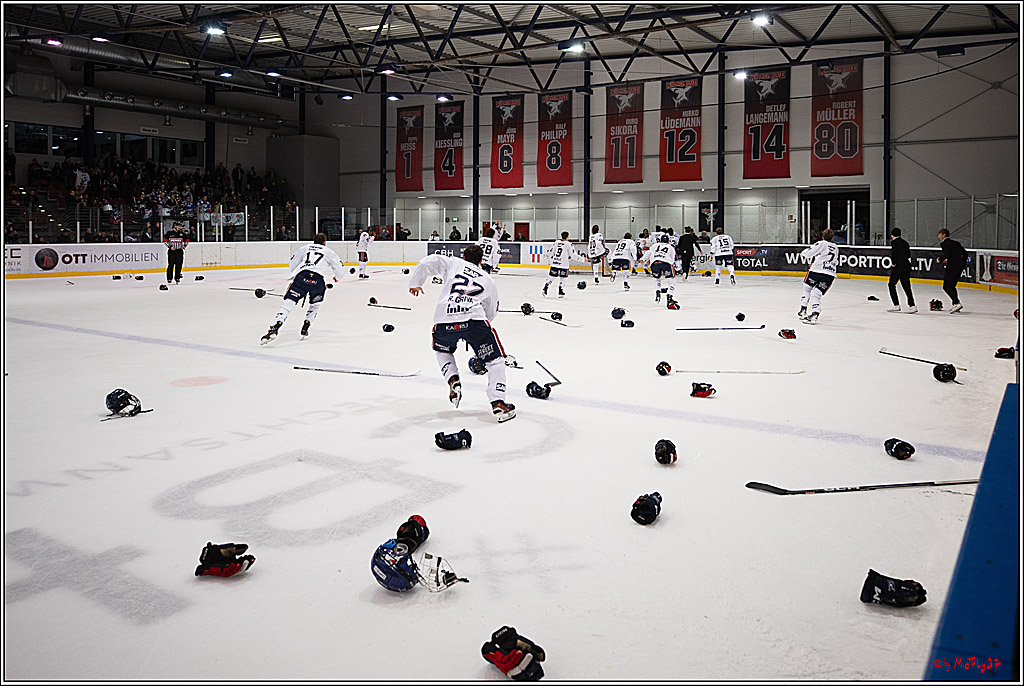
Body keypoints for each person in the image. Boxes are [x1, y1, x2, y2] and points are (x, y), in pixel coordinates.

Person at [407, 244, 516, 422]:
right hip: (474, 321)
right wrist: (476, 331)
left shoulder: (454, 263)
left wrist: (415, 283)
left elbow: (428, 262)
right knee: (495, 361)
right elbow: (492, 310)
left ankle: (452, 379)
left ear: (463, 257)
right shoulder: (488, 279)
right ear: (481, 261)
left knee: (442, 350)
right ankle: (498, 402)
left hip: (444, 319)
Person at [261, 232, 346, 344]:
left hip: (302, 278)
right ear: (324, 243)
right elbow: (339, 268)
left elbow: (293, 263)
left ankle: (276, 325)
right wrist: (337, 277)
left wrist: (297, 274)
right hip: (317, 281)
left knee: (288, 304)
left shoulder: (305, 248)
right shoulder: (328, 252)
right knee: (315, 305)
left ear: (314, 241)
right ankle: (307, 324)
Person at [798, 228, 839, 324]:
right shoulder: (836, 247)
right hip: (830, 273)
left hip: (816, 271)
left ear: (823, 236)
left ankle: (803, 309)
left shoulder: (821, 243)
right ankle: (815, 313)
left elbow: (808, 254)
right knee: (817, 293)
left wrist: (804, 252)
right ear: (832, 237)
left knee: (807, 288)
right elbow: (834, 261)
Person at [542, 231, 586, 298]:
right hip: (564, 264)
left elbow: (551, 252)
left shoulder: (556, 242)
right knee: (563, 278)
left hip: (555, 263)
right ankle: (560, 290)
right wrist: (582, 259)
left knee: (552, 277)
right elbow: (573, 255)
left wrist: (547, 255)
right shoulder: (568, 244)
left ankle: (546, 287)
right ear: (567, 237)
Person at [643, 234, 680, 309]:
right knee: (671, 282)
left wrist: (643, 259)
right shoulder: (670, 247)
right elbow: (673, 258)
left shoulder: (655, 245)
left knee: (657, 279)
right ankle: (669, 298)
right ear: (668, 241)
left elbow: (648, 252)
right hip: (666, 263)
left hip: (655, 263)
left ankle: (658, 291)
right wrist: (676, 267)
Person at [937, 228, 968, 313]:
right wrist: (962, 262)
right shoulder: (956, 243)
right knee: (952, 286)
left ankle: (957, 303)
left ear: (944, 235)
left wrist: (940, 259)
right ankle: (955, 304)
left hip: (952, 267)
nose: (939, 236)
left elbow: (947, 254)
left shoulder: (944, 243)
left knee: (946, 286)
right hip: (959, 266)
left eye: (940, 234)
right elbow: (965, 253)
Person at [886, 227, 917, 314]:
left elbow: (894, 254)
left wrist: (893, 263)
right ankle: (912, 305)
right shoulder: (905, 243)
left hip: (898, 268)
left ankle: (896, 304)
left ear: (892, 235)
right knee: (906, 287)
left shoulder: (894, 243)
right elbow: (908, 255)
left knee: (891, 285)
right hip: (906, 267)